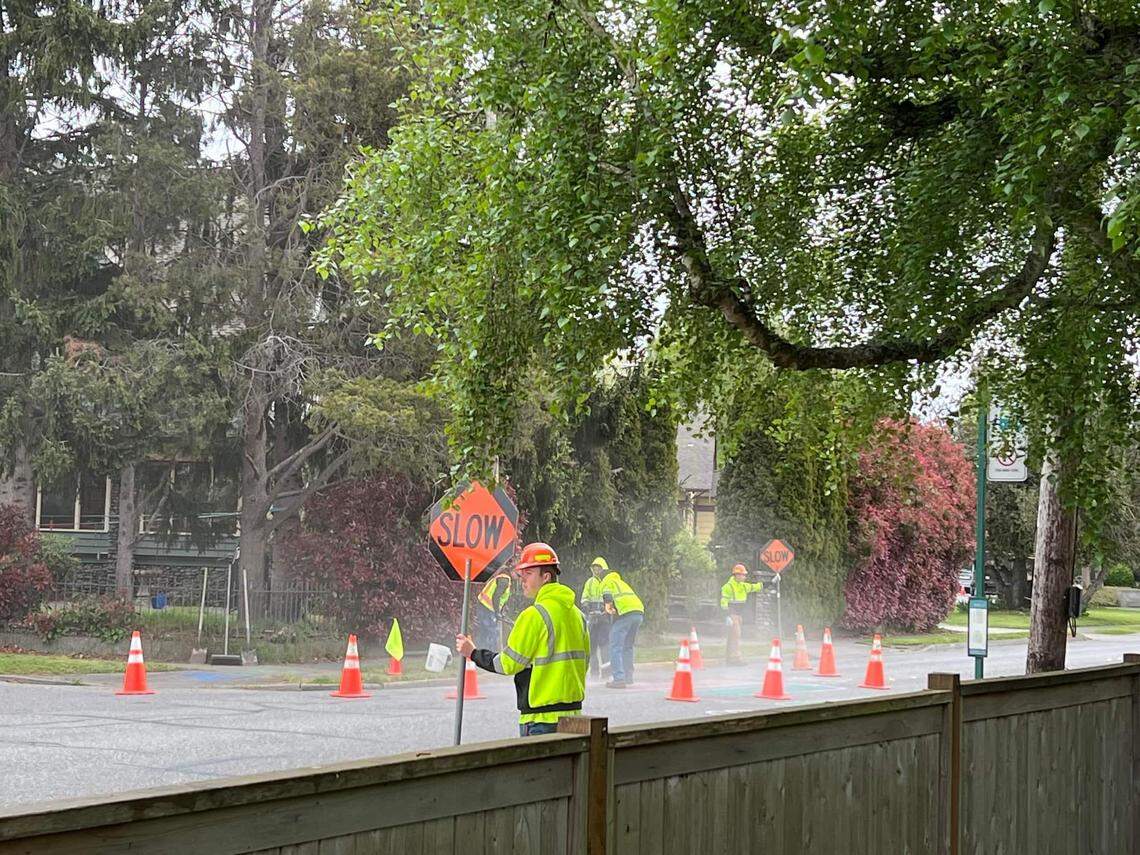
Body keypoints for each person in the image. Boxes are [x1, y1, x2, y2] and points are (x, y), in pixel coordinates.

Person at [456, 542, 589, 737]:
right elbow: (583, 663)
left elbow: (507, 664)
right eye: (521, 574)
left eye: (528, 574)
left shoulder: (533, 616)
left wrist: (473, 653)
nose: (522, 580)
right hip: (574, 717)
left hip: (540, 720)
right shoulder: (578, 615)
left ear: (546, 577)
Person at [599, 565, 644, 688]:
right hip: (638, 613)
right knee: (627, 646)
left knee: (615, 646)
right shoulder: (620, 582)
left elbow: (607, 596)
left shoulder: (606, 582)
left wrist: (608, 609)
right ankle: (628, 677)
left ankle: (618, 679)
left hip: (626, 614)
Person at [721, 562, 763, 664]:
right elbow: (723, 601)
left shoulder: (743, 586)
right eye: (743, 575)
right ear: (736, 575)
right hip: (732, 615)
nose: (744, 577)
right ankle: (735, 658)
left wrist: (772, 581)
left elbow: (756, 587)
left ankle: (730, 658)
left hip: (738, 616)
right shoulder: (728, 587)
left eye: (744, 575)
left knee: (733, 636)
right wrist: (727, 616)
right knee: (736, 635)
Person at [581, 557, 612, 679]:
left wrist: (607, 611)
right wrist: (586, 606)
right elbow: (584, 597)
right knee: (592, 646)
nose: (596, 570)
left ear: (603, 569)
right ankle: (594, 673)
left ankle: (606, 673)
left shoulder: (608, 582)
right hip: (593, 617)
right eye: (594, 568)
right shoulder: (589, 582)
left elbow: (610, 598)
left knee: (604, 645)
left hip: (604, 619)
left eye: (598, 568)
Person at [474, 570, 512, 650]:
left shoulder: (502, 577)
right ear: (512, 571)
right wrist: (497, 612)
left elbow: (500, 598)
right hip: (487, 609)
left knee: (485, 631)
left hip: (484, 607)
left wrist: (500, 612)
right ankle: (490, 654)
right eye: (518, 575)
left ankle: (481, 652)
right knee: (492, 632)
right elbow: (496, 596)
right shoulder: (504, 580)